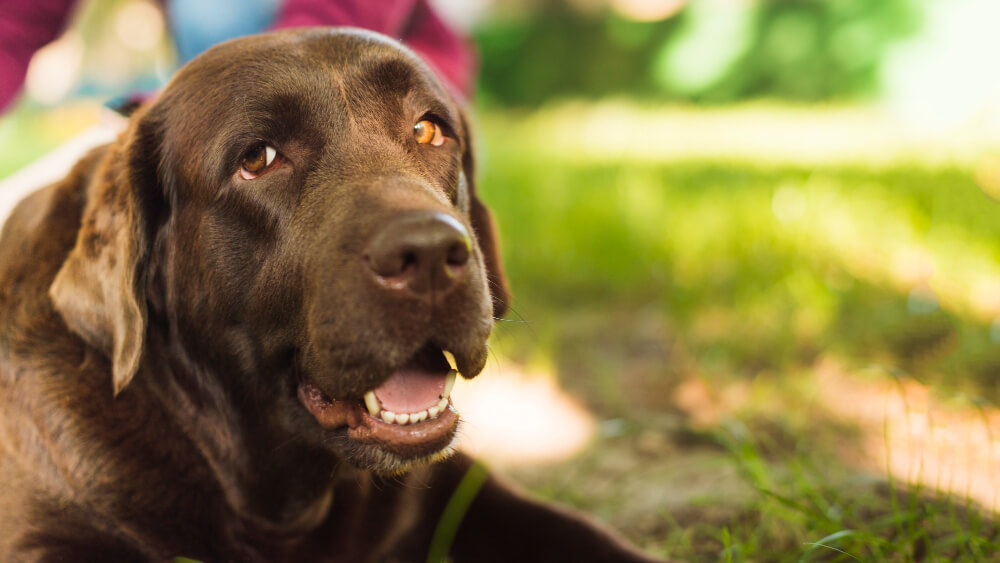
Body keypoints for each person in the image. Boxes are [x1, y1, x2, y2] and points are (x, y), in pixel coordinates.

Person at [0, 0, 476, 114]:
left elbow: (337, 16)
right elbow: (12, 27)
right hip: (222, 108)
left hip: (394, 105)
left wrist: (192, 109)